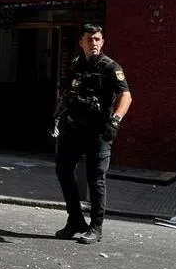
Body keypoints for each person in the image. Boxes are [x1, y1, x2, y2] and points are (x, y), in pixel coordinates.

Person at [52, 24, 133, 244]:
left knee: (95, 178)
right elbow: (68, 92)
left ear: (102, 41)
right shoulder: (76, 64)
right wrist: (58, 115)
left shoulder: (110, 67)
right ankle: (75, 220)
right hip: (73, 128)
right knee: (63, 170)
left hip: (98, 131)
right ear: (81, 42)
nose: (94, 43)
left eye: (97, 39)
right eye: (89, 39)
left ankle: (96, 227)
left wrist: (115, 120)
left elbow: (125, 96)